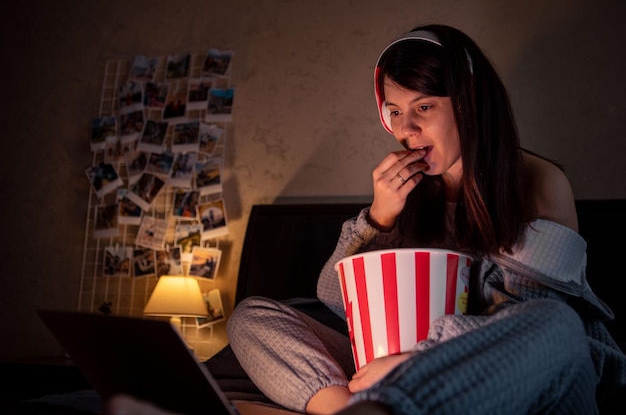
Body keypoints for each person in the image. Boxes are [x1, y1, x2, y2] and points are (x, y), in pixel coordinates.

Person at [105, 24, 626, 415]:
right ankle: (348, 412)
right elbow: (336, 300)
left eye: (423, 108)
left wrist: (410, 359)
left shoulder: (538, 182)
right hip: (389, 369)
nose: (405, 129)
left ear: (469, 103)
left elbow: (524, 322)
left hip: (513, 377)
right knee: (252, 316)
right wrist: (378, 218)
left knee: (556, 326)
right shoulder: (410, 193)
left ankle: (388, 398)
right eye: (394, 112)